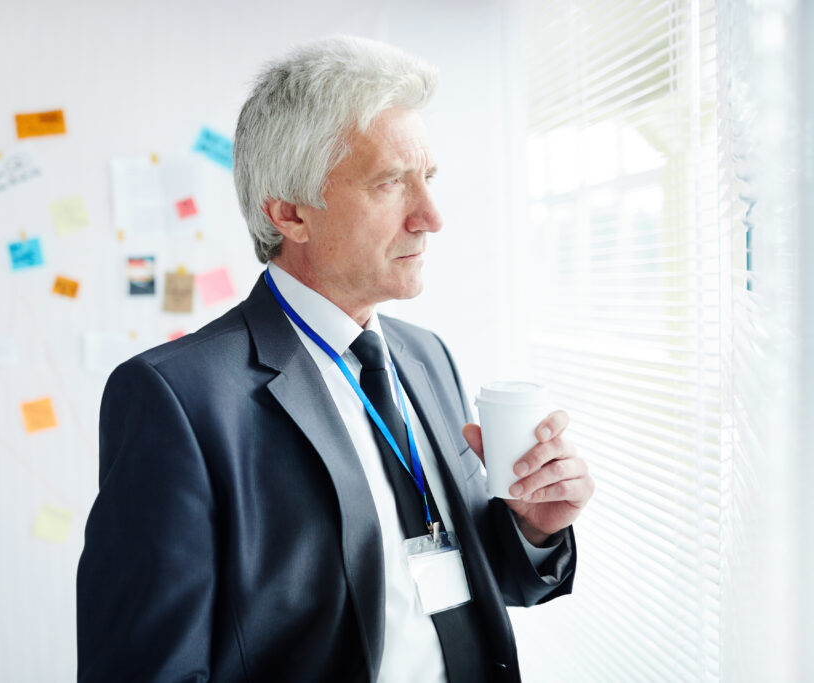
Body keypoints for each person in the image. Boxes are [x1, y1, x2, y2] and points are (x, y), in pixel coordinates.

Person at [77, 35, 594, 683]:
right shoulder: (176, 399)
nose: (431, 216)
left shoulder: (427, 356)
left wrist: (533, 530)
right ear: (289, 213)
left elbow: (473, 581)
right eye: (391, 183)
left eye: (428, 179)